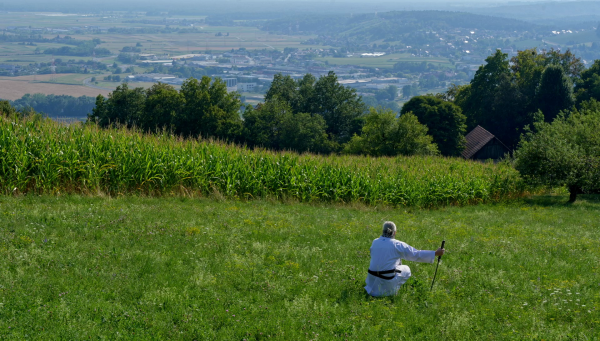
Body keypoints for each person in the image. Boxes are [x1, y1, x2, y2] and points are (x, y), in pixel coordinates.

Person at [364, 221, 445, 297]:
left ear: (382, 231)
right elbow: (415, 254)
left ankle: (380, 289)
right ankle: (392, 290)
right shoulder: (397, 244)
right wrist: (435, 253)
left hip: (371, 281)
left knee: (394, 263)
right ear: (395, 232)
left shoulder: (375, 242)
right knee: (406, 269)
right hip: (386, 280)